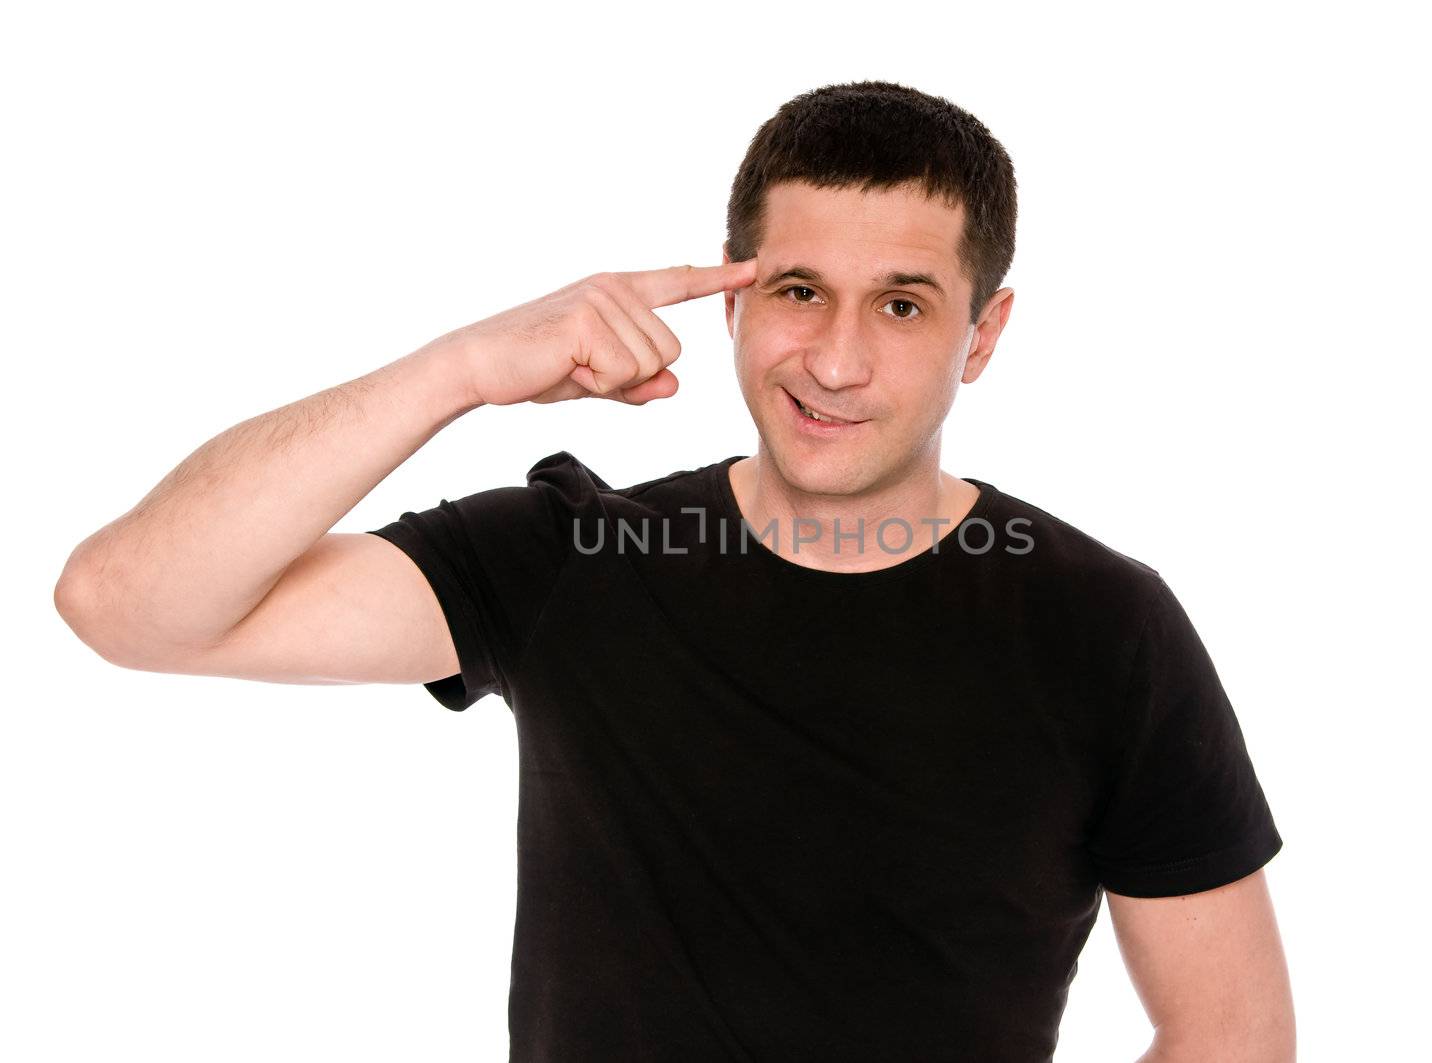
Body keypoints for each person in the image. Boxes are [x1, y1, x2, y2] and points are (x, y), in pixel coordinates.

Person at [54, 80, 1293, 1062]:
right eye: (799, 290)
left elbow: (1231, 1032)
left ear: (985, 333)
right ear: (732, 299)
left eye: (904, 305)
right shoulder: (569, 553)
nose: (838, 360)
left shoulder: (1102, 624)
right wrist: (458, 372)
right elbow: (125, 604)